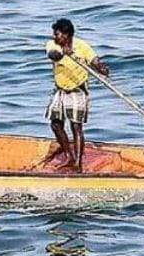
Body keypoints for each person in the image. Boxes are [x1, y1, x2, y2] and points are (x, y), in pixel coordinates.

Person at [45, 18, 110, 172]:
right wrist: (62, 53)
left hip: (77, 90)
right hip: (60, 90)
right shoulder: (53, 45)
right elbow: (52, 55)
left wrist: (102, 68)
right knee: (55, 124)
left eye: (58, 34)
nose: (56, 37)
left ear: (67, 35)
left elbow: (94, 60)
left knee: (76, 126)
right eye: (55, 34)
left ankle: (78, 163)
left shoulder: (82, 46)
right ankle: (68, 155)